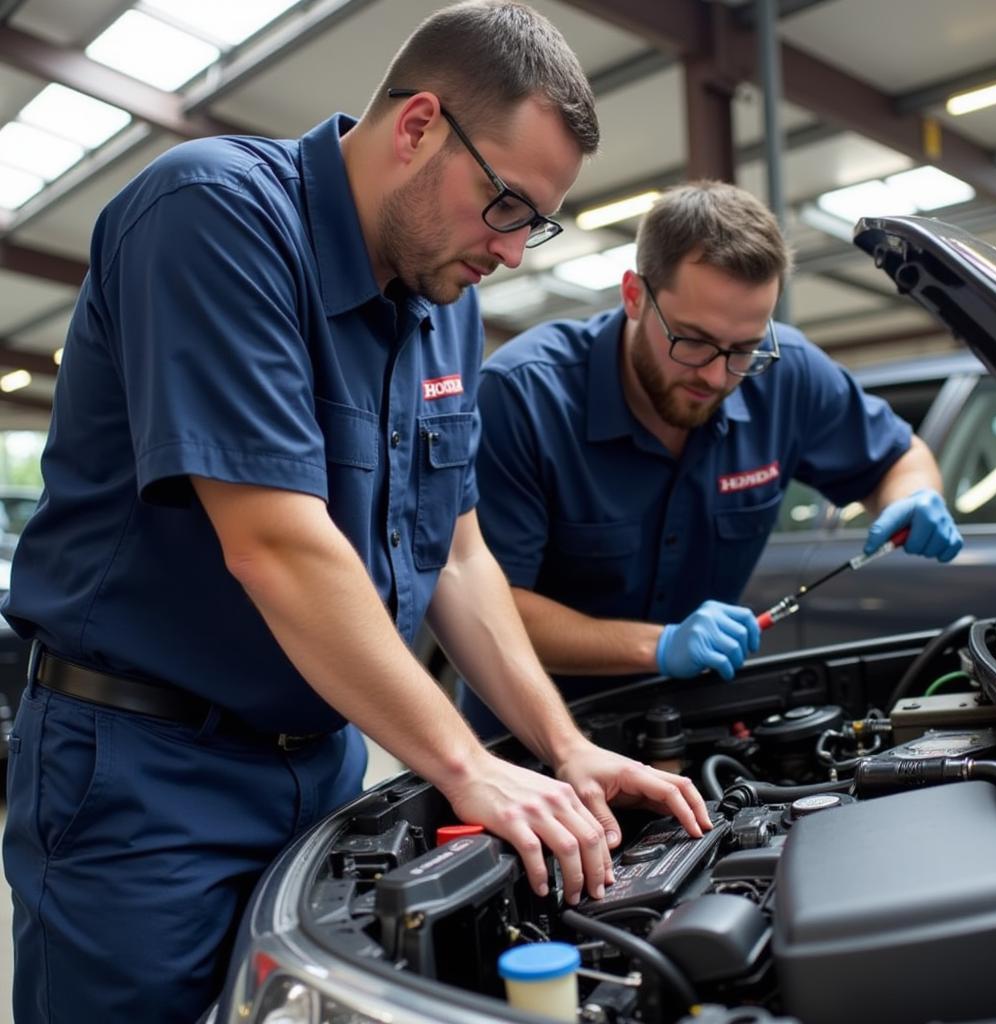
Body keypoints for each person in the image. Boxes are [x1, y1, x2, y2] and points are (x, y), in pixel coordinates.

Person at [0, 5, 715, 1022]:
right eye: (505, 203)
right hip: (145, 774)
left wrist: (561, 746)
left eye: (534, 221)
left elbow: (457, 551)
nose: (512, 253)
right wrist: (468, 765)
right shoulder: (216, 216)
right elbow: (277, 545)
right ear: (418, 125)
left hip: (327, 760)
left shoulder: (443, 306)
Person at [459, 180, 963, 738]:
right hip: (534, 737)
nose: (718, 375)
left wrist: (913, 495)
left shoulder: (786, 373)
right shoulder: (522, 398)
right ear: (633, 295)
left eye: (744, 348)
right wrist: (662, 645)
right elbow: (486, 609)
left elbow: (901, 455)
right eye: (692, 341)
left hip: (697, 723)